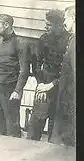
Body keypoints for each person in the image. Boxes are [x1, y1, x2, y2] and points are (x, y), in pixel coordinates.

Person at [0, 14, 30, 138]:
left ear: (6, 25)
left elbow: (24, 70)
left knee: (11, 125)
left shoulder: (21, 43)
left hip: (9, 89)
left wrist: (17, 90)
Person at [27, 9, 70, 141]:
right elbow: (36, 64)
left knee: (55, 127)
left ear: (59, 25)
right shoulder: (43, 39)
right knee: (35, 126)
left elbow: (68, 71)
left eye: (49, 25)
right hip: (43, 87)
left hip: (61, 89)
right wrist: (41, 85)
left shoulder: (70, 40)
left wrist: (51, 85)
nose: (45, 27)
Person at [46, 6, 75, 147]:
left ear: (74, 19)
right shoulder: (72, 40)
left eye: (67, 19)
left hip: (70, 98)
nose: (65, 23)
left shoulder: (74, 41)